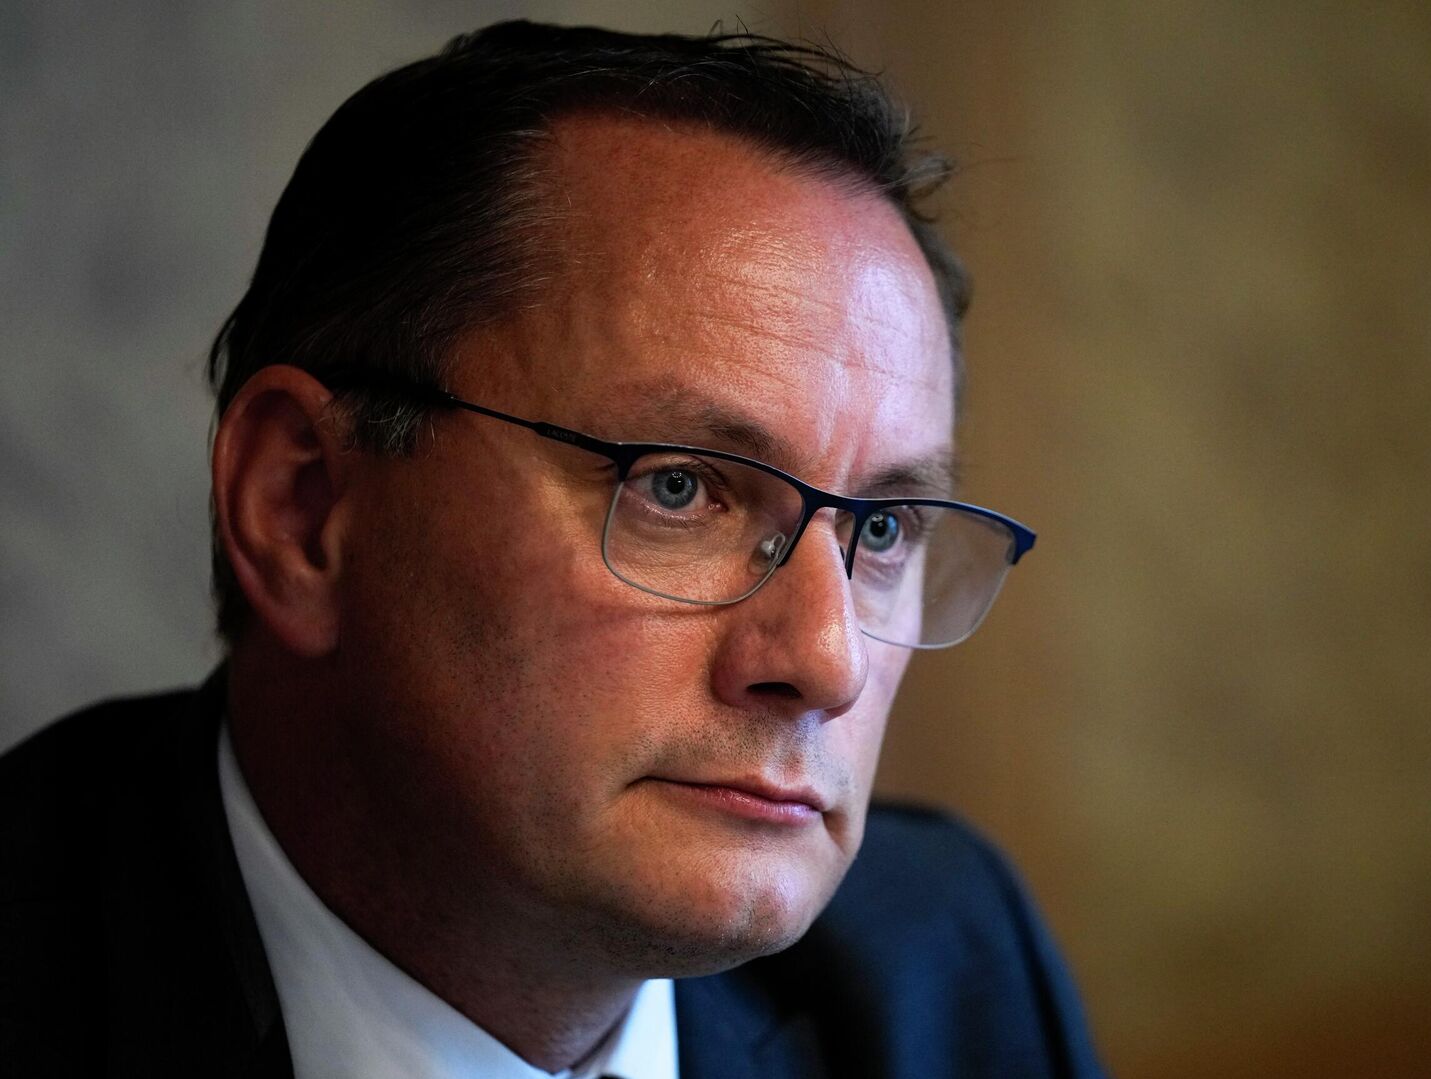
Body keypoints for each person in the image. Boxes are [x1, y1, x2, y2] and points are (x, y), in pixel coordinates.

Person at [0, 20, 1102, 1079]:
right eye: (679, 487)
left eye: (883, 528)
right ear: (304, 510)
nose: (826, 660)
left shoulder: (945, 960)